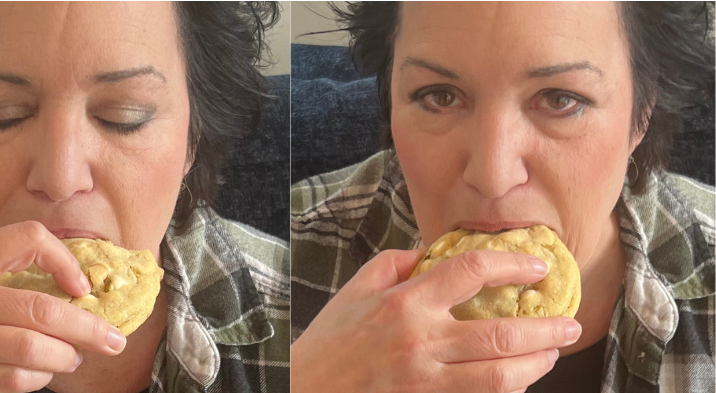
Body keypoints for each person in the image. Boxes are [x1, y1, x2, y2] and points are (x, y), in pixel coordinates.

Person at [0, 2, 289, 392]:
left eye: (123, 117)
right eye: (1, 115)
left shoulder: (291, 309)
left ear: (193, 139)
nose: (59, 178)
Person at [289, 2, 716, 392]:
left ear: (640, 116)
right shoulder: (293, 260)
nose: (492, 177)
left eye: (559, 99)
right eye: (439, 96)